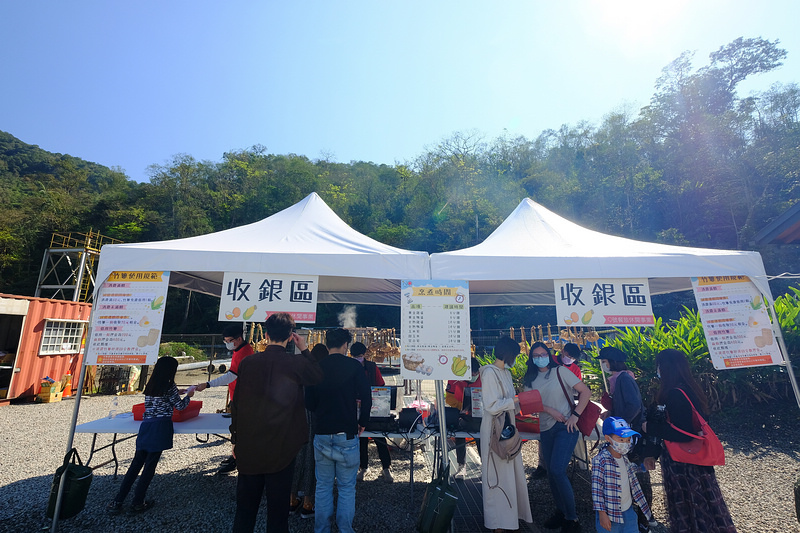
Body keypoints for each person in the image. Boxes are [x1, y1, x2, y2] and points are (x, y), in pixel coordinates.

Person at [230, 313, 325, 533]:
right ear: (291, 336)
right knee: (278, 513)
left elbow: (237, 405)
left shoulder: (248, 362)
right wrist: (305, 349)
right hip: (282, 449)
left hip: (250, 447)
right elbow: (318, 376)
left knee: (245, 511)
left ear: (265, 334)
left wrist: (235, 438)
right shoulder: (295, 363)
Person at [643, 349, 737, 533]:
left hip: (683, 464)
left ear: (665, 368)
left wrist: (649, 427)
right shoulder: (690, 388)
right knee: (705, 504)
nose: (657, 370)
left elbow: (684, 433)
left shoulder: (675, 394)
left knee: (689, 505)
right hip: (697, 460)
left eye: (659, 366)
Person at [106, 356, 194, 514]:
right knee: (149, 467)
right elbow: (180, 406)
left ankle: (117, 501)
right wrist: (188, 396)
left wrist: (177, 392)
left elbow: (162, 398)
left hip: (146, 426)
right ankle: (138, 502)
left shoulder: (151, 384)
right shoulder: (169, 385)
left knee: (135, 465)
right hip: (160, 427)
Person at [305, 329, 372, 533]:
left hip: (322, 432)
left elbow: (309, 402)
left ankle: (321, 529)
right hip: (348, 433)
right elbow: (367, 397)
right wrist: (363, 421)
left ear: (327, 345)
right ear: (345, 346)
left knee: (323, 486)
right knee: (346, 488)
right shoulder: (354, 366)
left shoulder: (316, 367)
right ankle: (345, 529)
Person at [522, 341, 591, 533]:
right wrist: (547, 409)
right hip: (545, 428)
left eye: (543, 354)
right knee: (552, 474)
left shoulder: (561, 371)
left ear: (549, 354)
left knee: (557, 470)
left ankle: (572, 518)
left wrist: (575, 416)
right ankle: (561, 512)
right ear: (531, 358)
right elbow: (528, 404)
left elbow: (586, 392)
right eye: (535, 355)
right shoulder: (530, 378)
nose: (539, 357)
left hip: (565, 428)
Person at [479, 336, 533, 533]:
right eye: (516, 355)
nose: (516, 359)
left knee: (510, 472)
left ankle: (510, 518)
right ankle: (497, 523)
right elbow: (491, 405)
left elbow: (508, 401)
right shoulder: (489, 373)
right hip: (495, 429)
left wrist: (520, 402)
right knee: (496, 473)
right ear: (509, 354)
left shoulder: (506, 373)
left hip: (508, 427)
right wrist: (516, 400)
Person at [597, 346, 653, 532]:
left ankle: (645, 520)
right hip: (629, 432)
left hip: (631, 435)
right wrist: (612, 413)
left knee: (637, 476)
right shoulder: (620, 377)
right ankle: (640, 517)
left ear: (611, 361)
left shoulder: (623, 378)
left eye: (603, 361)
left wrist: (622, 427)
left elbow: (635, 405)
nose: (602, 364)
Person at [194, 323, 254, 474]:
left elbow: (231, 375)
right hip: (237, 396)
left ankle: (237, 459)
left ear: (238, 339)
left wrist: (208, 384)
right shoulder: (238, 349)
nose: (227, 344)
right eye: (225, 341)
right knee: (235, 430)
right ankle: (235, 456)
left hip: (243, 399)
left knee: (238, 431)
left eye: (229, 341)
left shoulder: (244, 352)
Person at [532, 342, 583, 480]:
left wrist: (576, 415)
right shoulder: (550, 361)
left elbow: (581, 390)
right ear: (562, 352)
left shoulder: (573, 369)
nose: (569, 358)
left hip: (565, 415)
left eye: (573, 357)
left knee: (557, 469)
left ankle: (563, 466)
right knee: (546, 450)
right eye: (568, 355)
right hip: (546, 419)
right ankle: (542, 466)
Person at [592, 417, 653, 533]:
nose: (626, 444)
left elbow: (629, 470)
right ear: (608, 438)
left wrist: (644, 467)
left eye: (628, 439)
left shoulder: (623, 457)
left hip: (628, 510)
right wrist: (602, 513)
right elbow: (596, 490)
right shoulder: (600, 460)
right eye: (621, 439)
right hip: (610, 514)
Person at [350, 341, 393, 483]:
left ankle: (386, 467)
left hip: (375, 408)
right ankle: (363, 467)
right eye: (356, 356)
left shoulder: (372, 368)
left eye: (360, 356)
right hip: (355, 410)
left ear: (364, 355)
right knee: (361, 438)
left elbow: (381, 385)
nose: (358, 358)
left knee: (379, 436)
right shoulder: (349, 368)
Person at [445, 356, 482, 480]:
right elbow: (449, 398)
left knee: (481, 437)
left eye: (476, 373)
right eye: (471, 373)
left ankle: (486, 466)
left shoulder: (484, 378)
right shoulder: (455, 378)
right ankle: (461, 466)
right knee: (458, 433)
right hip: (461, 413)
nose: (474, 375)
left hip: (481, 414)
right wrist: (462, 406)